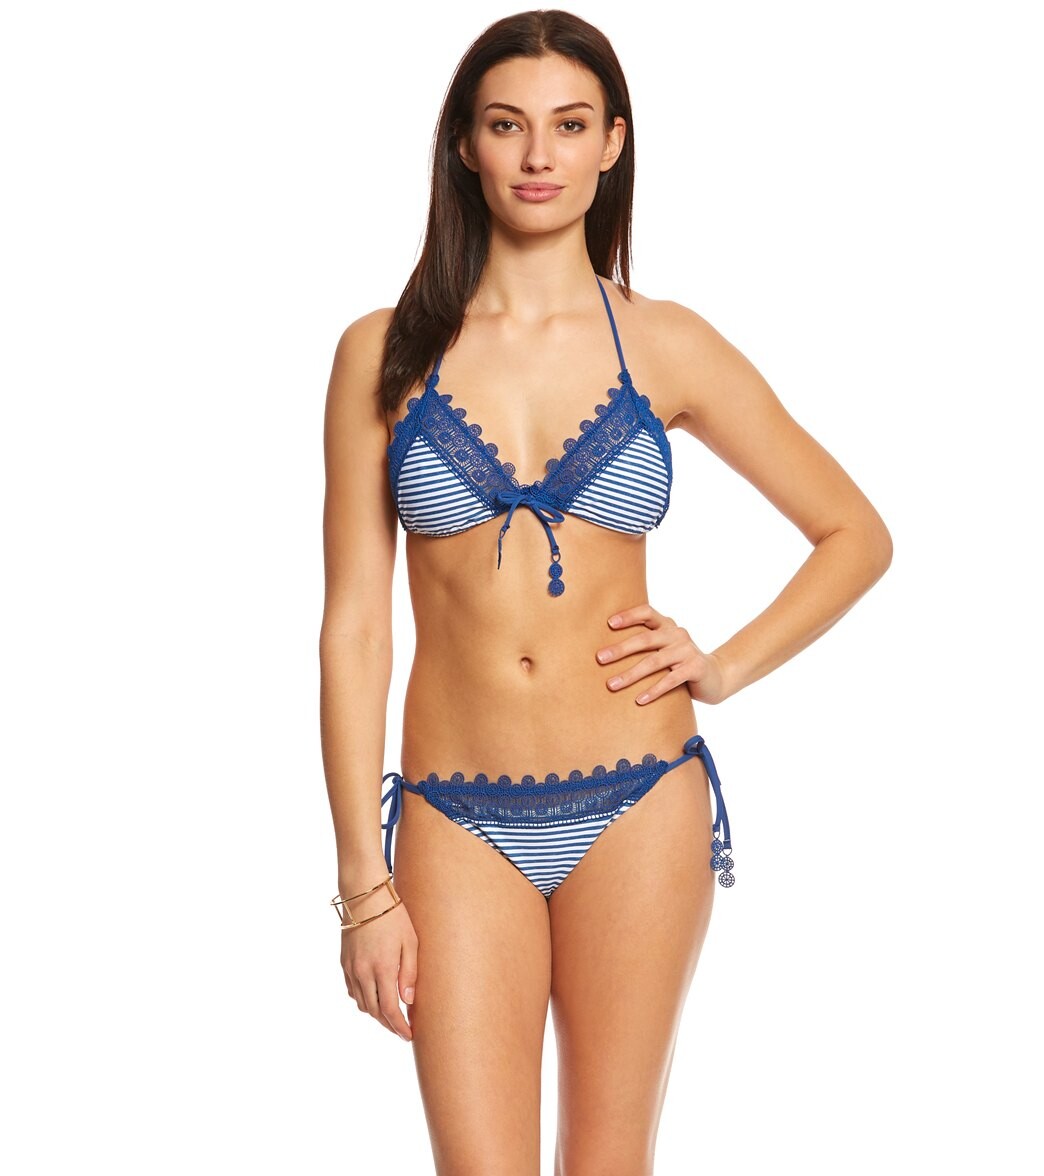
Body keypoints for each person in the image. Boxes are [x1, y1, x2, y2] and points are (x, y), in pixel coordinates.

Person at [320, 9, 892, 1173]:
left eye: (570, 125)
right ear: (464, 144)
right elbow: (356, 630)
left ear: (612, 144)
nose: (539, 155)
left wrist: (722, 666)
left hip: (640, 800)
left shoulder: (666, 344)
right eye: (507, 125)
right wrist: (362, 889)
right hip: (454, 815)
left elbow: (855, 534)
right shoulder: (383, 352)